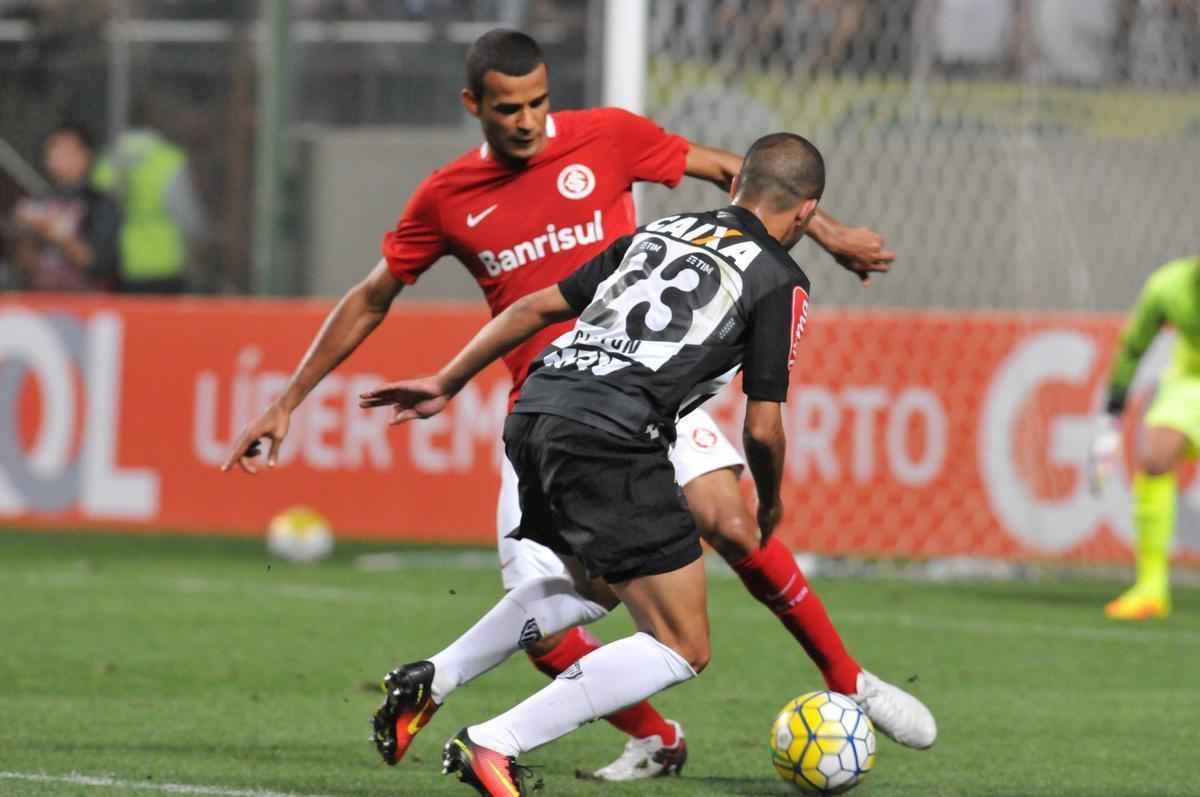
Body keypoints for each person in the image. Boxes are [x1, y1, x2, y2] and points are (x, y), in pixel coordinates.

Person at [221, 29, 919, 779]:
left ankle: (845, 679)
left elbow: (724, 181)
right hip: (607, 417)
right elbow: (764, 421)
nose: (525, 120)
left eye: (538, 102)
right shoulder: (450, 194)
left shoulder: (631, 177)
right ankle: (514, 740)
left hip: (582, 399)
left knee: (663, 553)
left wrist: (831, 233)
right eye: (507, 107)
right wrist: (297, 396)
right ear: (474, 105)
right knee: (674, 639)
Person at [357, 132, 937, 796]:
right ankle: (495, 743)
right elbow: (764, 423)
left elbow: (534, 307)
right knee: (681, 643)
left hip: (538, 409)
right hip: (615, 435)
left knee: (592, 586)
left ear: (738, 182)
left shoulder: (663, 231)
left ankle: (434, 675)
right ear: (807, 214)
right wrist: (770, 498)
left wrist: (448, 380)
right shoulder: (778, 277)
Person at [1090, 254, 1200, 620]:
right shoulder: (1168, 287)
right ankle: (1151, 588)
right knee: (1155, 459)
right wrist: (1115, 403)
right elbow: (1134, 346)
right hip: (1190, 379)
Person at [92, 109, 207, 294]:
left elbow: (98, 195)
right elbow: (186, 213)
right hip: (165, 261)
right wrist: (200, 237)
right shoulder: (168, 159)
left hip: (123, 259)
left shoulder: (112, 157)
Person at [5, 123, 120, 291]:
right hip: (40, 303)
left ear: (85, 154)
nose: (56, 157)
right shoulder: (39, 201)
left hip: (86, 305)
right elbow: (26, 265)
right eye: (52, 151)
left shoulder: (99, 203)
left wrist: (54, 233)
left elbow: (99, 263)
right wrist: (25, 234)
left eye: (65, 151)